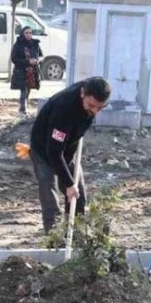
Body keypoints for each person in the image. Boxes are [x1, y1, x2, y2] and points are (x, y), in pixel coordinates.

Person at [29, 77, 112, 234]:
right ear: (82, 94)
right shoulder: (64, 110)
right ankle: (54, 240)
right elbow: (53, 151)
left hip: (68, 149)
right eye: (91, 106)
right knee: (50, 198)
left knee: (78, 196)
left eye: (99, 108)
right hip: (44, 150)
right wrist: (68, 184)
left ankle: (76, 234)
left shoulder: (92, 90)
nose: (94, 112)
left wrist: (71, 184)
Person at [10, 26, 43, 117]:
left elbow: (40, 55)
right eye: (26, 33)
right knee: (23, 90)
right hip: (21, 71)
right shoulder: (18, 44)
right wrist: (27, 61)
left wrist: (36, 60)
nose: (29, 35)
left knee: (28, 90)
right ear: (22, 34)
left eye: (30, 33)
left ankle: (24, 108)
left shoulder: (35, 44)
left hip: (32, 72)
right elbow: (14, 58)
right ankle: (22, 110)